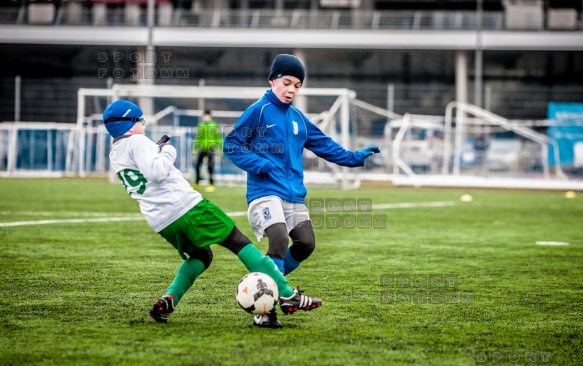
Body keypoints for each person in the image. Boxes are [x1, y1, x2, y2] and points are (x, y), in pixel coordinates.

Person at [103, 99, 322, 326]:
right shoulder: (138, 140)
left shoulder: (115, 153)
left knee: (202, 256)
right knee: (238, 241)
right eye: (140, 120)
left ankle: (170, 298)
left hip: (161, 221)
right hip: (188, 207)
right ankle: (287, 294)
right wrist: (168, 150)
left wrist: (157, 151)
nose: (143, 125)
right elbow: (156, 171)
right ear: (129, 125)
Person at [223, 54, 380, 328]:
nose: (291, 90)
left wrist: (355, 157)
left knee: (306, 243)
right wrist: (261, 164)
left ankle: (277, 287)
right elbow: (232, 145)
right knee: (279, 240)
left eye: (297, 85)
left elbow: (325, 145)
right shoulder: (258, 111)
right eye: (286, 82)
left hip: (293, 194)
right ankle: (266, 309)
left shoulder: (298, 117)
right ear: (272, 80)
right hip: (264, 191)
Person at [192, 110, 222, 192]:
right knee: (197, 165)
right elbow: (198, 137)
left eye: (207, 116)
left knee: (210, 166)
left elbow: (218, 137)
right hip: (202, 147)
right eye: (204, 116)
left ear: (210, 117)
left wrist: (219, 148)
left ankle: (211, 184)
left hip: (210, 147)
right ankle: (196, 183)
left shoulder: (213, 125)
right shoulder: (201, 125)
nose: (205, 118)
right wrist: (195, 147)